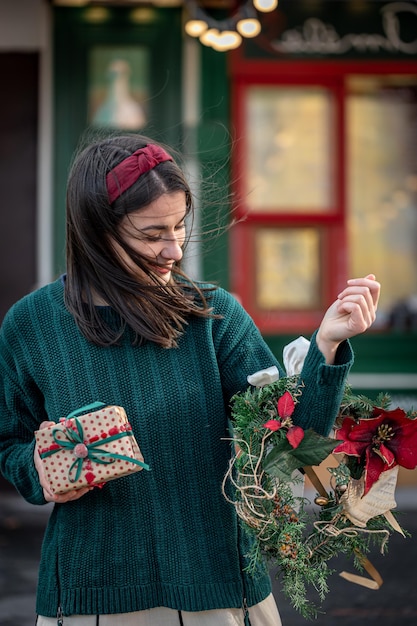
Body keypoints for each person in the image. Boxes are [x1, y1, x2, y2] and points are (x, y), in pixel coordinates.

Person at [0, 134, 380, 626]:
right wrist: (42, 471)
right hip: (88, 596)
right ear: (96, 231)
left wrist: (326, 346)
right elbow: (8, 442)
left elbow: (289, 448)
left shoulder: (213, 315)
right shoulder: (32, 325)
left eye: (180, 227)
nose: (174, 249)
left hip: (218, 590)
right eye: (152, 233)